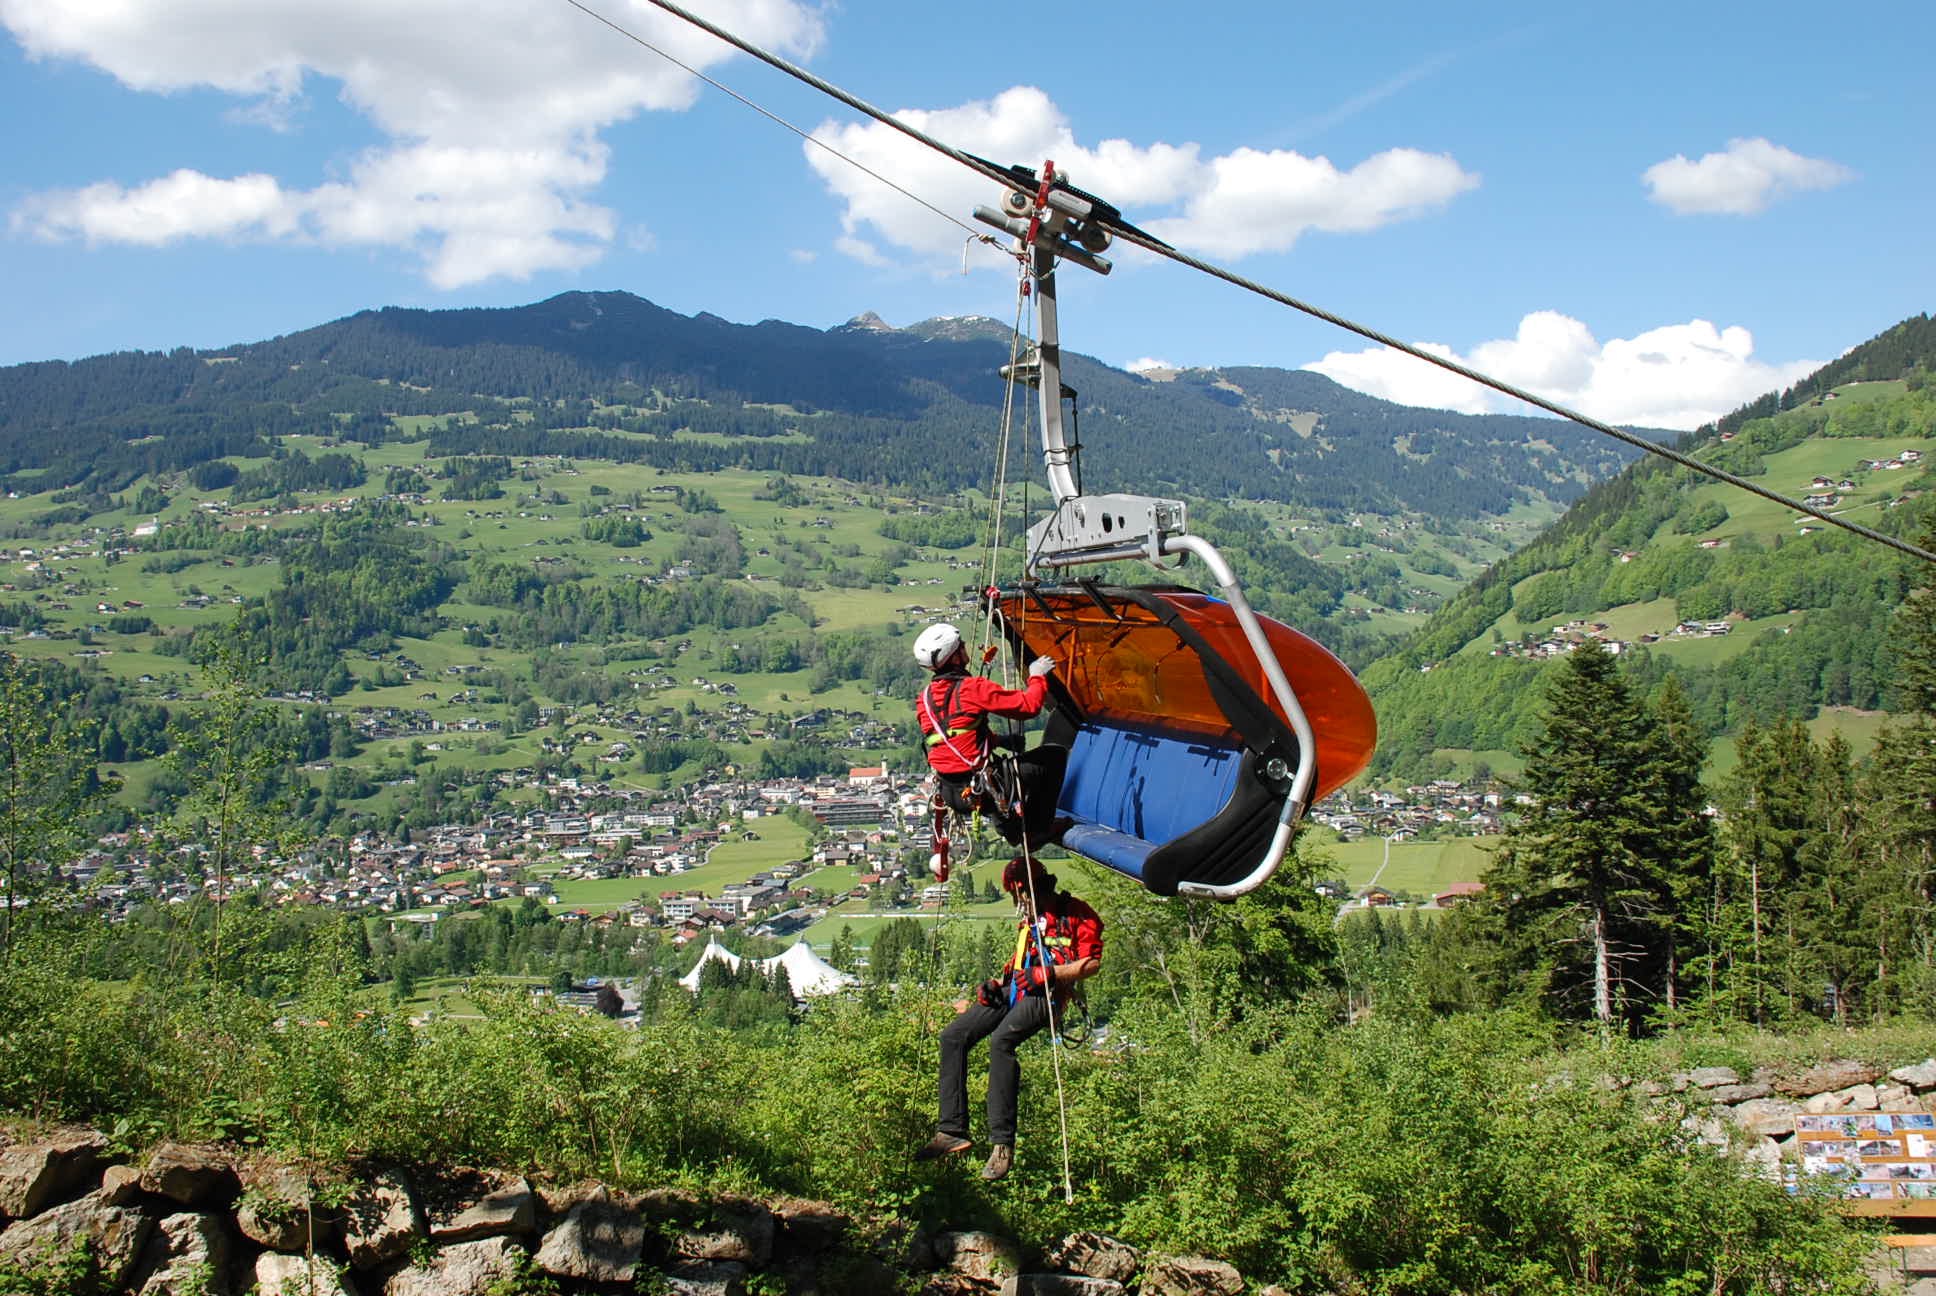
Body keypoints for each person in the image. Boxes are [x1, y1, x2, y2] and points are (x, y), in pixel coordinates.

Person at [914, 855, 1103, 1181]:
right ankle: (951, 1130)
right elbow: (1019, 963)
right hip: (1019, 986)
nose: (1019, 904)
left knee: (1002, 1041)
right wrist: (995, 985)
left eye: (1020, 896)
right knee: (953, 1037)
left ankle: (1002, 1144)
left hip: (1049, 994)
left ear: (1030, 889)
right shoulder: (1030, 921)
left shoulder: (1075, 914)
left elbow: (1091, 964)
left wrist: (1050, 974)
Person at [912, 621, 1069, 849]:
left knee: (990, 773)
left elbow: (955, 737)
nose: (965, 647)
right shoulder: (971, 688)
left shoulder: (924, 699)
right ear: (955, 658)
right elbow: (1028, 706)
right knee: (1053, 757)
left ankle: (1011, 830)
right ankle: (1037, 829)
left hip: (951, 792)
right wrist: (1037, 676)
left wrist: (1001, 741)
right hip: (981, 788)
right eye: (961, 645)